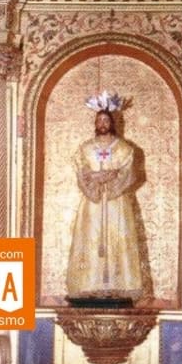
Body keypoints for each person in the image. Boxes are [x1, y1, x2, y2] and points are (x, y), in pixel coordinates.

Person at [66, 108, 143, 300]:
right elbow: (80, 170)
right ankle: (89, 284)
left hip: (116, 202)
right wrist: (94, 179)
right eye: (99, 120)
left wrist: (111, 180)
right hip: (93, 203)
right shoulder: (85, 148)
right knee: (91, 238)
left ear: (112, 123)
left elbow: (129, 172)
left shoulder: (125, 148)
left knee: (117, 238)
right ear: (95, 123)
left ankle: (118, 285)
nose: (102, 124)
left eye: (106, 120)